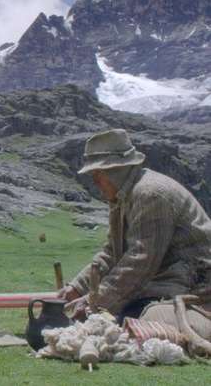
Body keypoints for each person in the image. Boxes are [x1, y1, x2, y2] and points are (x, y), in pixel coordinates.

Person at [59, 129, 211, 324]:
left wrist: (94, 300)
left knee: (130, 317)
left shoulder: (151, 194)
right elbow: (112, 253)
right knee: (117, 314)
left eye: (97, 173)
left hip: (195, 281)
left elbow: (141, 261)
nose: (95, 181)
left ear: (115, 171)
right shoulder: (123, 197)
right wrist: (77, 288)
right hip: (168, 277)